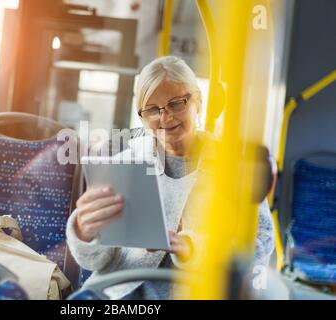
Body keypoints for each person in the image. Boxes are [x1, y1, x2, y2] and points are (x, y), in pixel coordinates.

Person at [66, 56, 274, 300]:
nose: (165, 118)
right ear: (142, 118)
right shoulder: (125, 162)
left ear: (197, 100)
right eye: (153, 110)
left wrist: (194, 250)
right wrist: (84, 233)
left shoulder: (231, 165)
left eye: (176, 104)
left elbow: (260, 242)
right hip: (122, 289)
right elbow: (98, 260)